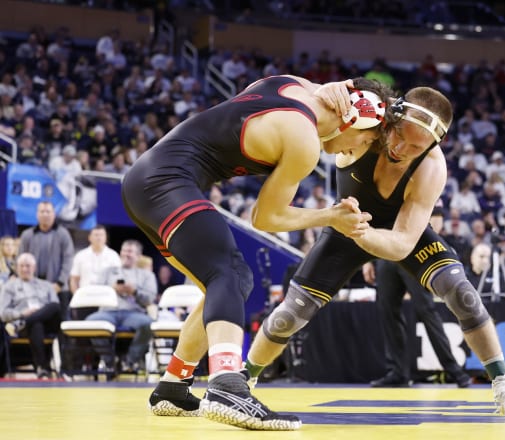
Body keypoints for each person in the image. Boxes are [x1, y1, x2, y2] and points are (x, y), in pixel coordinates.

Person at [121, 75, 393, 430]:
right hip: (165, 183)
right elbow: (265, 217)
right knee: (231, 273)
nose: (352, 152)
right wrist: (331, 216)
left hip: (147, 180)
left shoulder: (289, 84)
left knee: (223, 285)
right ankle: (227, 386)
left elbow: (331, 89)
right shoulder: (304, 140)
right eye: (366, 140)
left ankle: (174, 385)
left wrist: (342, 86)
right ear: (355, 117)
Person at [244, 86, 505, 417]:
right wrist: (334, 91)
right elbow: (319, 128)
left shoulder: (432, 167)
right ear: (390, 120)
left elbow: (401, 244)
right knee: (289, 315)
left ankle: (504, 383)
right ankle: (243, 381)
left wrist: (363, 232)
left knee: (461, 291)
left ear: (434, 145)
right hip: (344, 225)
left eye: (416, 146)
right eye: (399, 136)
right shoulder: (368, 125)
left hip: (392, 231)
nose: (400, 148)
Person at [364, 257, 472, 388]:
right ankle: (398, 373)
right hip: (384, 255)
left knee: (426, 311)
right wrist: (367, 260)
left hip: (411, 254)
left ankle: (454, 370)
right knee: (388, 312)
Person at [85, 239, 157, 373]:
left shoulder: (147, 275)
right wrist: (111, 289)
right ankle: (109, 361)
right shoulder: (107, 272)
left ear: (139, 256)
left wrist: (134, 291)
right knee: (91, 322)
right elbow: (96, 293)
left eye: (131, 252)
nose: (127, 254)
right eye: (124, 251)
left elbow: (150, 299)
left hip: (134, 313)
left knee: (148, 324)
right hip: (108, 311)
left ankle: (129, 362)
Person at [0, 252, 61, 378]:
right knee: (36, 324)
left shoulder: (47, 285)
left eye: (28, 266)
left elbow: (55, 308)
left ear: (34, 268)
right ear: (16, 268)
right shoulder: (9, 287)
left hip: (46, 323)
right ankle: (42, 368)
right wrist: (21, 313)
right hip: (24, 327)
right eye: (21, 266)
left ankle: (29, 320)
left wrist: (36, 313)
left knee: (54, 306)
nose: (24, 269)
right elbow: (2, 313)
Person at [18, 201, 74, 317]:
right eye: (42, 211)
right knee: (35, 322)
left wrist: (59, 283)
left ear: (54, 214)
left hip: (59, 288)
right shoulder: (27, 235)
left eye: (48, 211)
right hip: (33, 289)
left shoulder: (63, 234)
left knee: (61, 323)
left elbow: (68, 260)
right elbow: (21, 259)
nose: (45, 214)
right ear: (37, 214)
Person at [68, 225, 121, 293]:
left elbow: (118, 279)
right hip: (85, 295)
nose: (99, 238)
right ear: (89, 237)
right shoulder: (80, 255)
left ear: (106, 237)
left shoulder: (113, 256)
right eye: (96, 235)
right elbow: (74, 279)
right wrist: (76, 296)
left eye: (101, 235)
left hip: (106, 296)